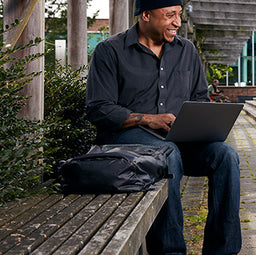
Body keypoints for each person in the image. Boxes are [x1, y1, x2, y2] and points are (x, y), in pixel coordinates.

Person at [85, 0, 241, 254]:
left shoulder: (187, 50)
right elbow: (98, 108)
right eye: (170, 15)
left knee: (225, 155)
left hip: (179, 139)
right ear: (146, 15)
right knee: (168, 155)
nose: (177, 22)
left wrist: (203, 122)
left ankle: (222, 250)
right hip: (129, 142)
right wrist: (148, 119)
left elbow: (199, 98)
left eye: (179, 15)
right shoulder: (109, 51)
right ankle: (170, 251)